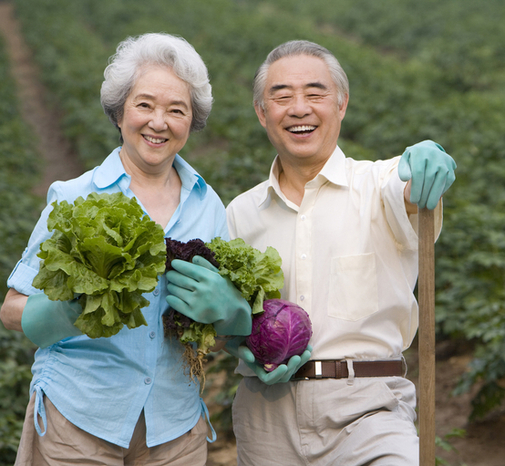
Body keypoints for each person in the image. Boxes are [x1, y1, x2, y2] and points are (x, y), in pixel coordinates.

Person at [0, 33, 251, 465]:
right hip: (79, 420)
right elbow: (12, 309)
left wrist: (229, 311)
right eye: (145, 105)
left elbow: (222, 332)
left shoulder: (207, 204)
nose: (159, 122)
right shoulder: (76, 197)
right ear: (119, 113)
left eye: (177, 110)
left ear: (192, 122)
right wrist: (70, 310)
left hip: (175, 428)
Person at [224, 39, 456, 465]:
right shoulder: (241, 213)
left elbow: (403, 192)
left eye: (315, 94)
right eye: (281, 97)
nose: (299, 108)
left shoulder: (377, 184)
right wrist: (235, 341)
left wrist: (422, 169)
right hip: (267, 417)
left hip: (368, 412)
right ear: (262, 112)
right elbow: (228, 316)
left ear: (342, 104)